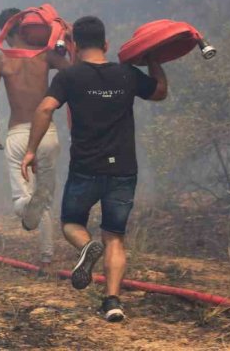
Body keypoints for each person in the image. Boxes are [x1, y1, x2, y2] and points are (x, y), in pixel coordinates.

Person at [21, 16, 167, 322]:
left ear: (74, 45)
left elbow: (46, 108)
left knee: (71, 222)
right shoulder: (127, 74)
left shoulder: (69, 77)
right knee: (114, 237)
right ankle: (112, 302)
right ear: (106, 44)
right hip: (124, 169)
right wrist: (153, 59)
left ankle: (87, 247)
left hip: (86, 167)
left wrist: (32, 149)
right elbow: (160, 92)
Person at [0, 7, 70, 273]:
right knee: (44, 201)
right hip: (46, 133)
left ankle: (27, 208)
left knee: (23, 198)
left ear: (4, 31)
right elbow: (74, 74)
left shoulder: (1, 60)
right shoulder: (46, 56)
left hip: (19, 133)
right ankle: (46, 259)